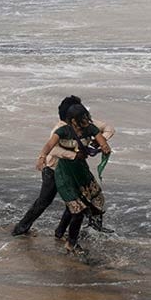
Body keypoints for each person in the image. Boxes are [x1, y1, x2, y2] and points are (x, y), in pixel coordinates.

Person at [11, 96, 114, 236]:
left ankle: (61, 232)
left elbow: (109, 128)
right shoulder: (60, 129)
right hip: (54, 169)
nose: (85, 117)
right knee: (44, 201)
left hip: (74, 170)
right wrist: (74, 155)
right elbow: (52, 149)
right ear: (70, 118)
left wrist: (99, 142)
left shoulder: (85, 123)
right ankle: (21, 229)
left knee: (76, 201)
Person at [36, 104, 111, 256]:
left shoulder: (89, 128)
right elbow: (49, 145)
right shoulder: (62, 131)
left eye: (85, 117)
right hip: (65, 174)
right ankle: (71, 243)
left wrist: (104, 146)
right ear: (72, 120)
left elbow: (101, 138)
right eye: (81, 119)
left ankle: (93, 231)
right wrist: (42, 157)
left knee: (96, 201)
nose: (85, 120)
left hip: (81, 172)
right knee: (77, 209)